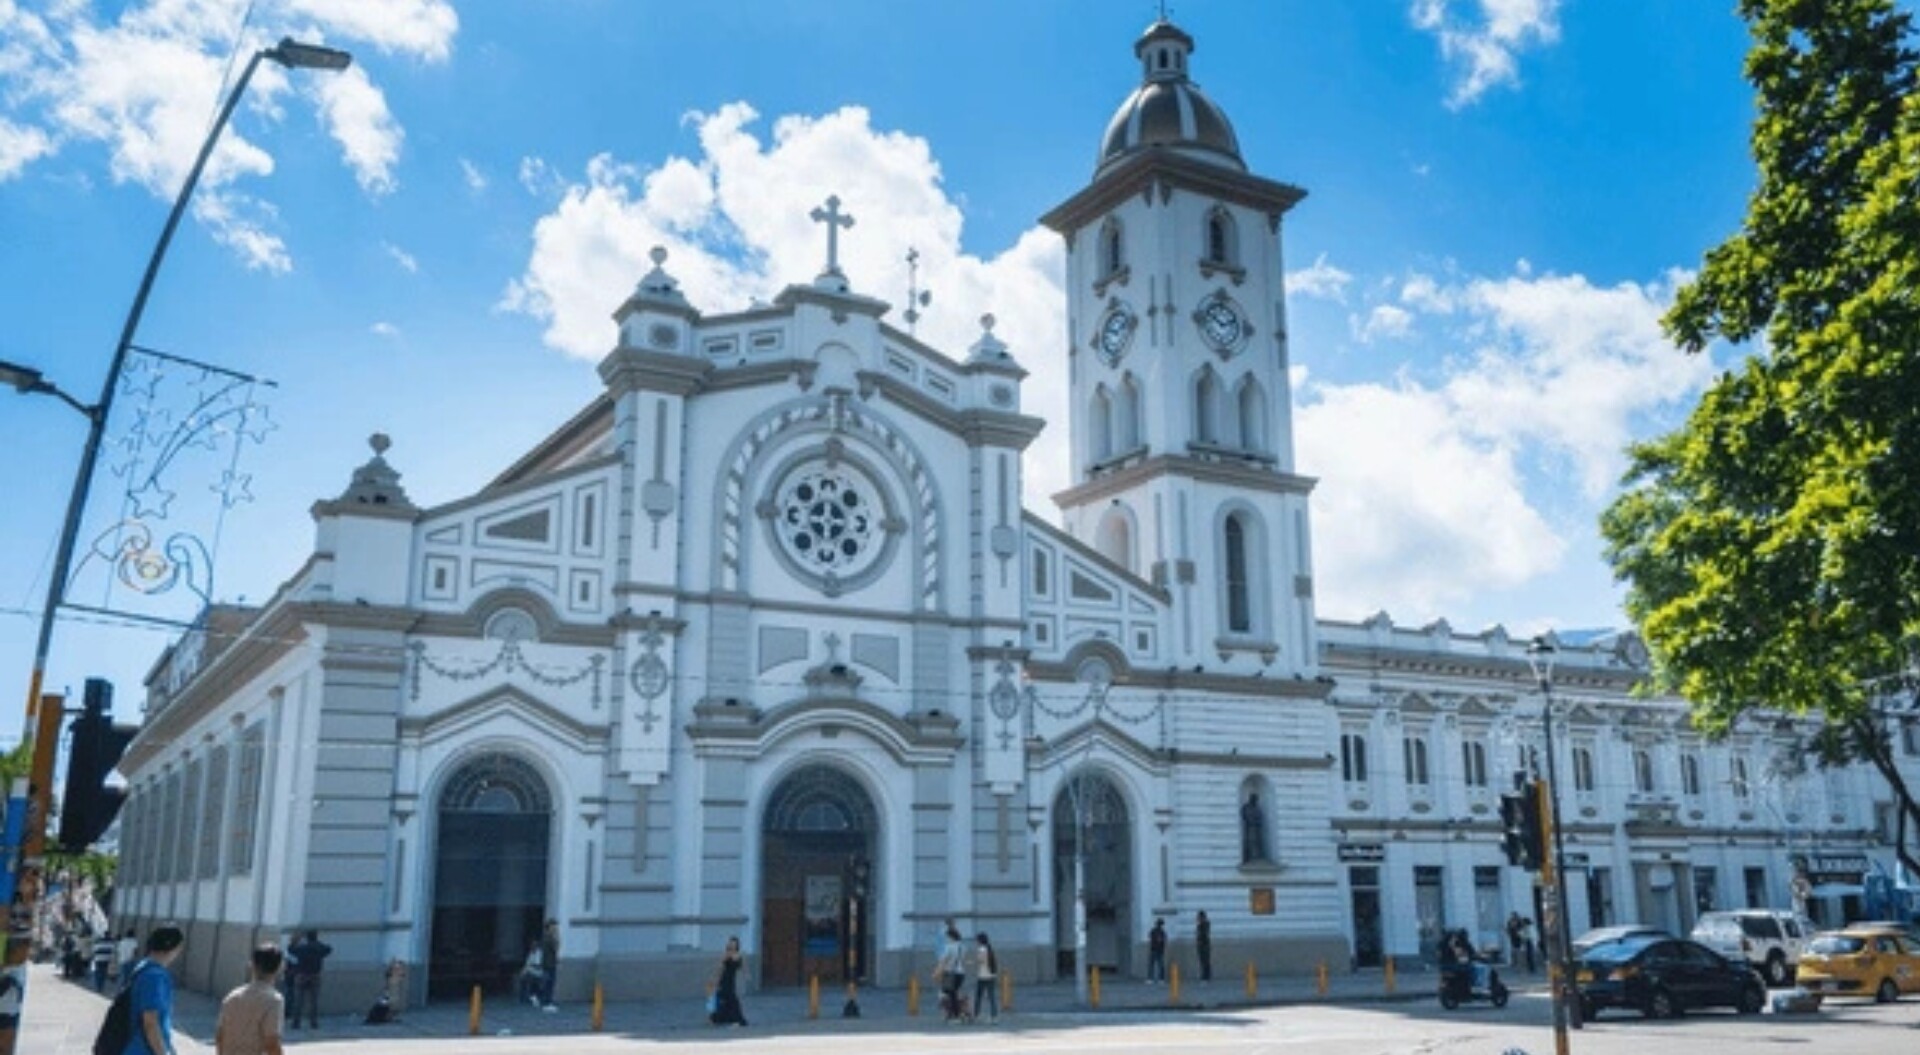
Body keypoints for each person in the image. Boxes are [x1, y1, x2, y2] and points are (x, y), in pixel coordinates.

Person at [123, 924, 185, 1055]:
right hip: (142, 1049)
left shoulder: (142, 967)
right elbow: (150, 1022)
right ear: (171, 948)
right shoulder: (155, 977)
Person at [215, 943, 285, 1055]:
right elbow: (271, 1043)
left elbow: (220, 1035)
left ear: (252, 965)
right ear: (280, 968)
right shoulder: (273, 1000)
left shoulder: (232, 996)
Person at [286, 929, 332, 1029]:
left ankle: (296, 1022)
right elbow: (329, 949)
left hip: (302, 975)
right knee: (313, 1001)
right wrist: (318, 944)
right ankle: (313, 1022)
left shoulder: (302, 948)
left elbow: (291, 950)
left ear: (307, 938)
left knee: (298, 1000)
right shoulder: (319, 948)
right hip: (315, 975)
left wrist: (294, 940)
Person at [708, 935, 748, 1027]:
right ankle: (717, 1018)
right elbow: (720, 968)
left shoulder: (739, 955)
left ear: (737, 945)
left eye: (734, 944)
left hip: (731, 980)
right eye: (731, 944)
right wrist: (715, 979)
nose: (732, 945)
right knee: (725, 999)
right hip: (724, 979)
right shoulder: (727, 954)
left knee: (729, 999)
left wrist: (746, 975)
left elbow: (742, 967)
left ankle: (723, 1018)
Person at [933, 922, 968, 1022]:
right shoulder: (962, 946)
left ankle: (955, 1015)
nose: (946, 939)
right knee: (953, 994)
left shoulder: (949, 947)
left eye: (947, 937)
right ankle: (961, 1012)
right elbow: (962, 960)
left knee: (944, 993)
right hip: (961, 973)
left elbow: (943, 961)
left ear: (950, 937)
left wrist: (936, 973)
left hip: (950, 973)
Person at [972, 932, 999, 1024]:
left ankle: (976, 1015)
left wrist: (972, 962)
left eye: (977, 940)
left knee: (978, 996)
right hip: (991, 975)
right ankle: (994, 1016)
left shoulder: (982, 949)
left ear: (980, 940)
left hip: (983, 975)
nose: (976, 942)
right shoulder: (989, 948)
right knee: (992, 997)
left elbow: (981, 960)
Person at [536, 919, 560, 1010]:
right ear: (549, 927)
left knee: (547, 983)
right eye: (554, 926)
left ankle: (544, 1001)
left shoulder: (546, 936)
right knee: (549, 983)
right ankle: (546, 1002)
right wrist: (557, 938)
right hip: (549, 963)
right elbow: (555, 948)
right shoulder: (549, 937)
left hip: (548, 963)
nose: (555, 928)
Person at [1240, 792, 1267, 863]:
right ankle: (1247, 857)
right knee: (1248, 841)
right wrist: (1251, 820)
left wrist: (1257, 821)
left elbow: (1260, 816)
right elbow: (1245, 815)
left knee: (1257, 842)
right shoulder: (1246, 807)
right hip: (1249, 827)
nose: (1255, 800)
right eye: (1254, 799)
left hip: (1256, 827)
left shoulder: (1257, 807)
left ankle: (1257, 856)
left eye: (1256, 799)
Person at [517, 939, 544, 1007]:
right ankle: (523, 997)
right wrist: (523, 971)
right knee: (522, 979)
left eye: (534, 946)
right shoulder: (531, 953)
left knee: (531, 980)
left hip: (537, 973)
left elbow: (538, 965)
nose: (532, 947)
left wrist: (530, 966)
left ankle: (532, 997)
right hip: (530, 971)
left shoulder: (539, 953)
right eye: (532, 946)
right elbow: (527, 964)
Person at [1147, 918, 1168, 984]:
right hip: (1157, 950)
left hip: (1155, 950)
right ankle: (1160, 979)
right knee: (1159, 965)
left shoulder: (1156, 931)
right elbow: (1163, 941)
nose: (1160, 926)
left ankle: (1151, 978)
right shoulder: (1161, 932)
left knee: (1153, 965)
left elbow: (1150, 938)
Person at [1194, 911, 1213, 982]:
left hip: (1204, 945)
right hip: (1201, 945)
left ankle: (1206, 976)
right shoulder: (1200, 926)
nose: (1198, 919)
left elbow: (1204, 935)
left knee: (1205, 961)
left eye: (1199, 917)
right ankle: (1204, 976)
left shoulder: (1204, 925)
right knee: (1202, 961)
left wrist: (1200, 941)